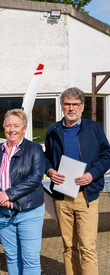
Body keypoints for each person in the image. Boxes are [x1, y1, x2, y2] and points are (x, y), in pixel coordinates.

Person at [45, 87, 110, 275]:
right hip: (62, 197)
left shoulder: (93, 128)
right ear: (62, 106)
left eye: (75, 104)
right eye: (67, 104)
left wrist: (92, 174)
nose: (71, 108)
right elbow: (46, 157)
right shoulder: (53, 130)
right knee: (68, 246)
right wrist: (49, 171)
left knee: (87, 247)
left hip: (87, 196)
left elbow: (107, 155)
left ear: (82, 107)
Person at [0, 109, 45, 275]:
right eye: (8, 126)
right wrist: (0, 197)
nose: (12, 130)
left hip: (28, 211)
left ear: (24, 128)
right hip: (2, 212)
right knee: (11, 257)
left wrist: (9, 194)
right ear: (4, 129)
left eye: (16, 126)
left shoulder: (35, 149)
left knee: (30, 259)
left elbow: (35, 178)